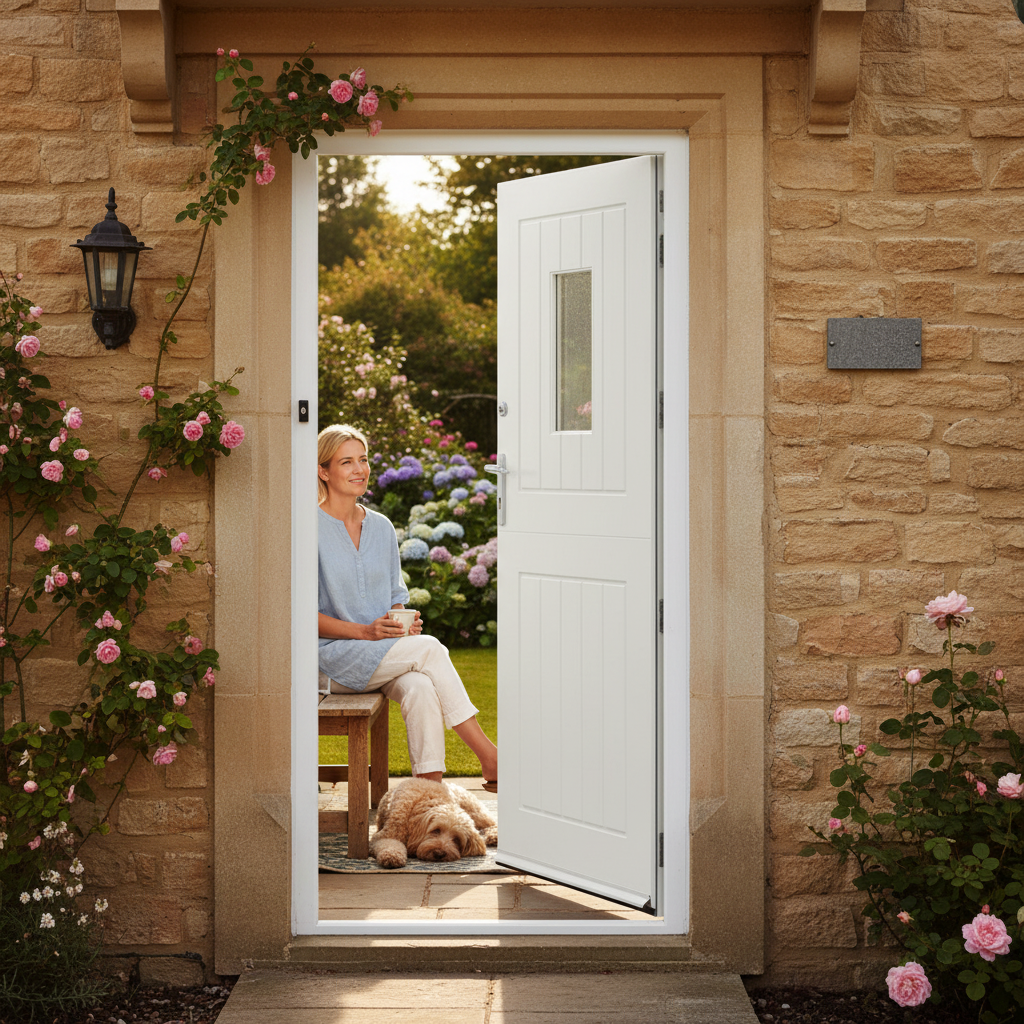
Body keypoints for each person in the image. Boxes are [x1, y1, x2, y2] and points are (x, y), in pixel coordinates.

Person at [317, 423, 498, 789]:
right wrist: (365, 632)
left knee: (420, 686)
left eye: (363, 460)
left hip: (382, 654)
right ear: (324, 471)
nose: (359, 470)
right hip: (331, 661)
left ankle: (427, 794)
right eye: (346, 462)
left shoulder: (381, 527)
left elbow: (394, 593)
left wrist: (401, 623)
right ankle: (490, 757)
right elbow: (298, 615)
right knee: (430, 649)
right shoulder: (307, 527)